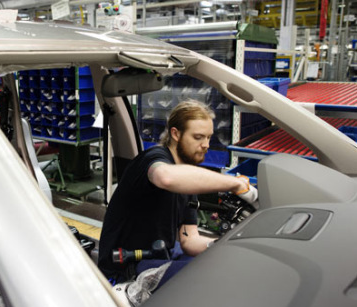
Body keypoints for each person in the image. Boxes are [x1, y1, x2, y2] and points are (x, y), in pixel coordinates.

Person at [98, 99, 257, 285]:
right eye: (198, 137)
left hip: (155, 262)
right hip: (125, 270)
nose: (206, 144)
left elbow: (189, 240)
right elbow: (165, 177)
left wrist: (221, 245)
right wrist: (235, 184)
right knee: (211, 281)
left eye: (208, 137)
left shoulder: (187, 180)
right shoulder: (153, 159)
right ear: (175, 133)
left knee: (218, 267)